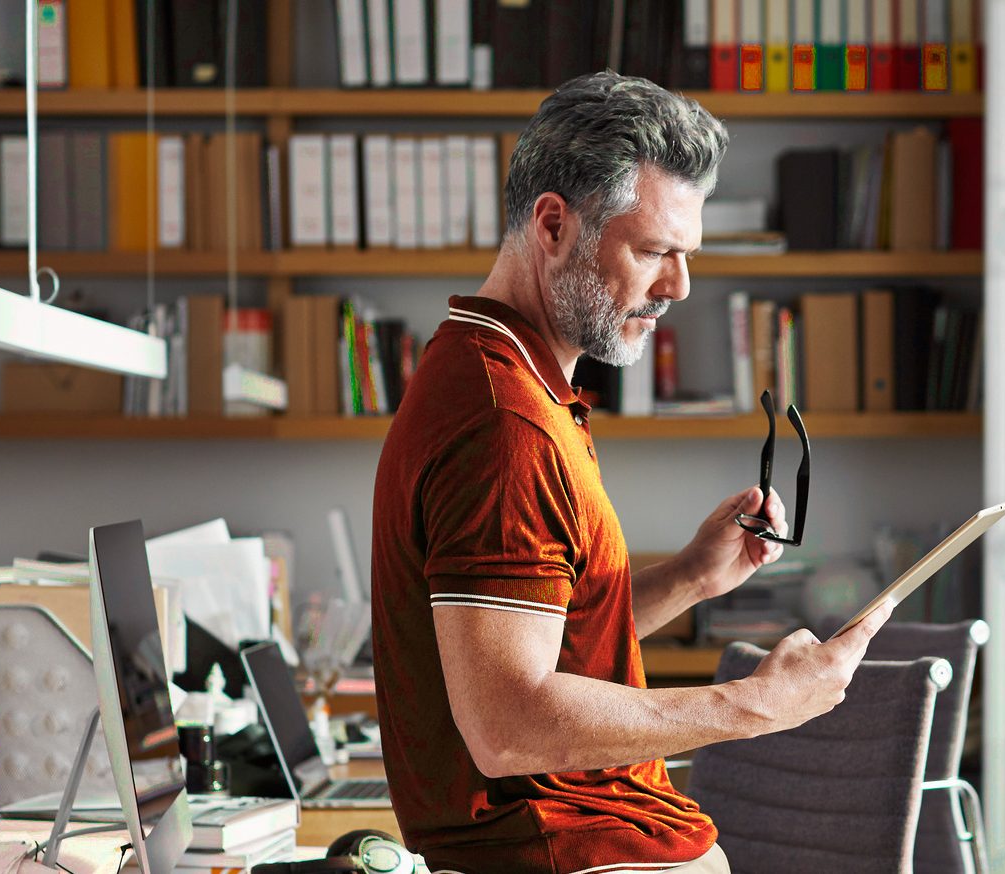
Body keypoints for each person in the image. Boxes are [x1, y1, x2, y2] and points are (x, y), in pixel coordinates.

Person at [369, 71, 894, 874]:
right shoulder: (504, 426)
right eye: (654, 251)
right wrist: (758, 704)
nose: (678, 287)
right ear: (553, 225)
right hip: (567, 849)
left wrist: (687, 578)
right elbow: (508, 722)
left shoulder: (514, 382)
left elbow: (541, 647)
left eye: (686, 255)